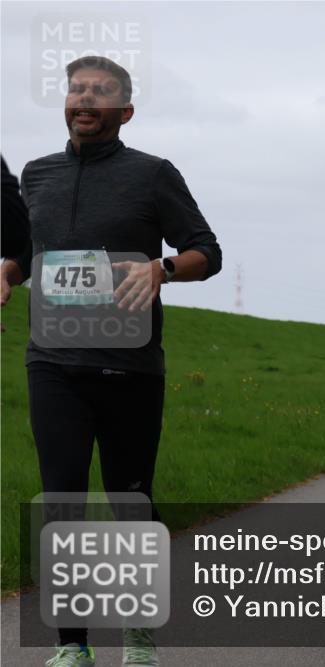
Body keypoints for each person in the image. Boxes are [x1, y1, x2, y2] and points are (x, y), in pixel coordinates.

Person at [0, 56, 222, 667]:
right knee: (61, 500)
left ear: (125, 112)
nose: (85, 99)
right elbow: (29, 248)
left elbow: (206, 251)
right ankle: (73, 645)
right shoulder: (36, 175)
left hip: (130, 364)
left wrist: (162, 268)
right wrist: (9, 271)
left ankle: (138, 634)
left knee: (130, 501)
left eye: (100, 92)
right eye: (77, 89)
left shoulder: (152, 174)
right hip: (52, 361)